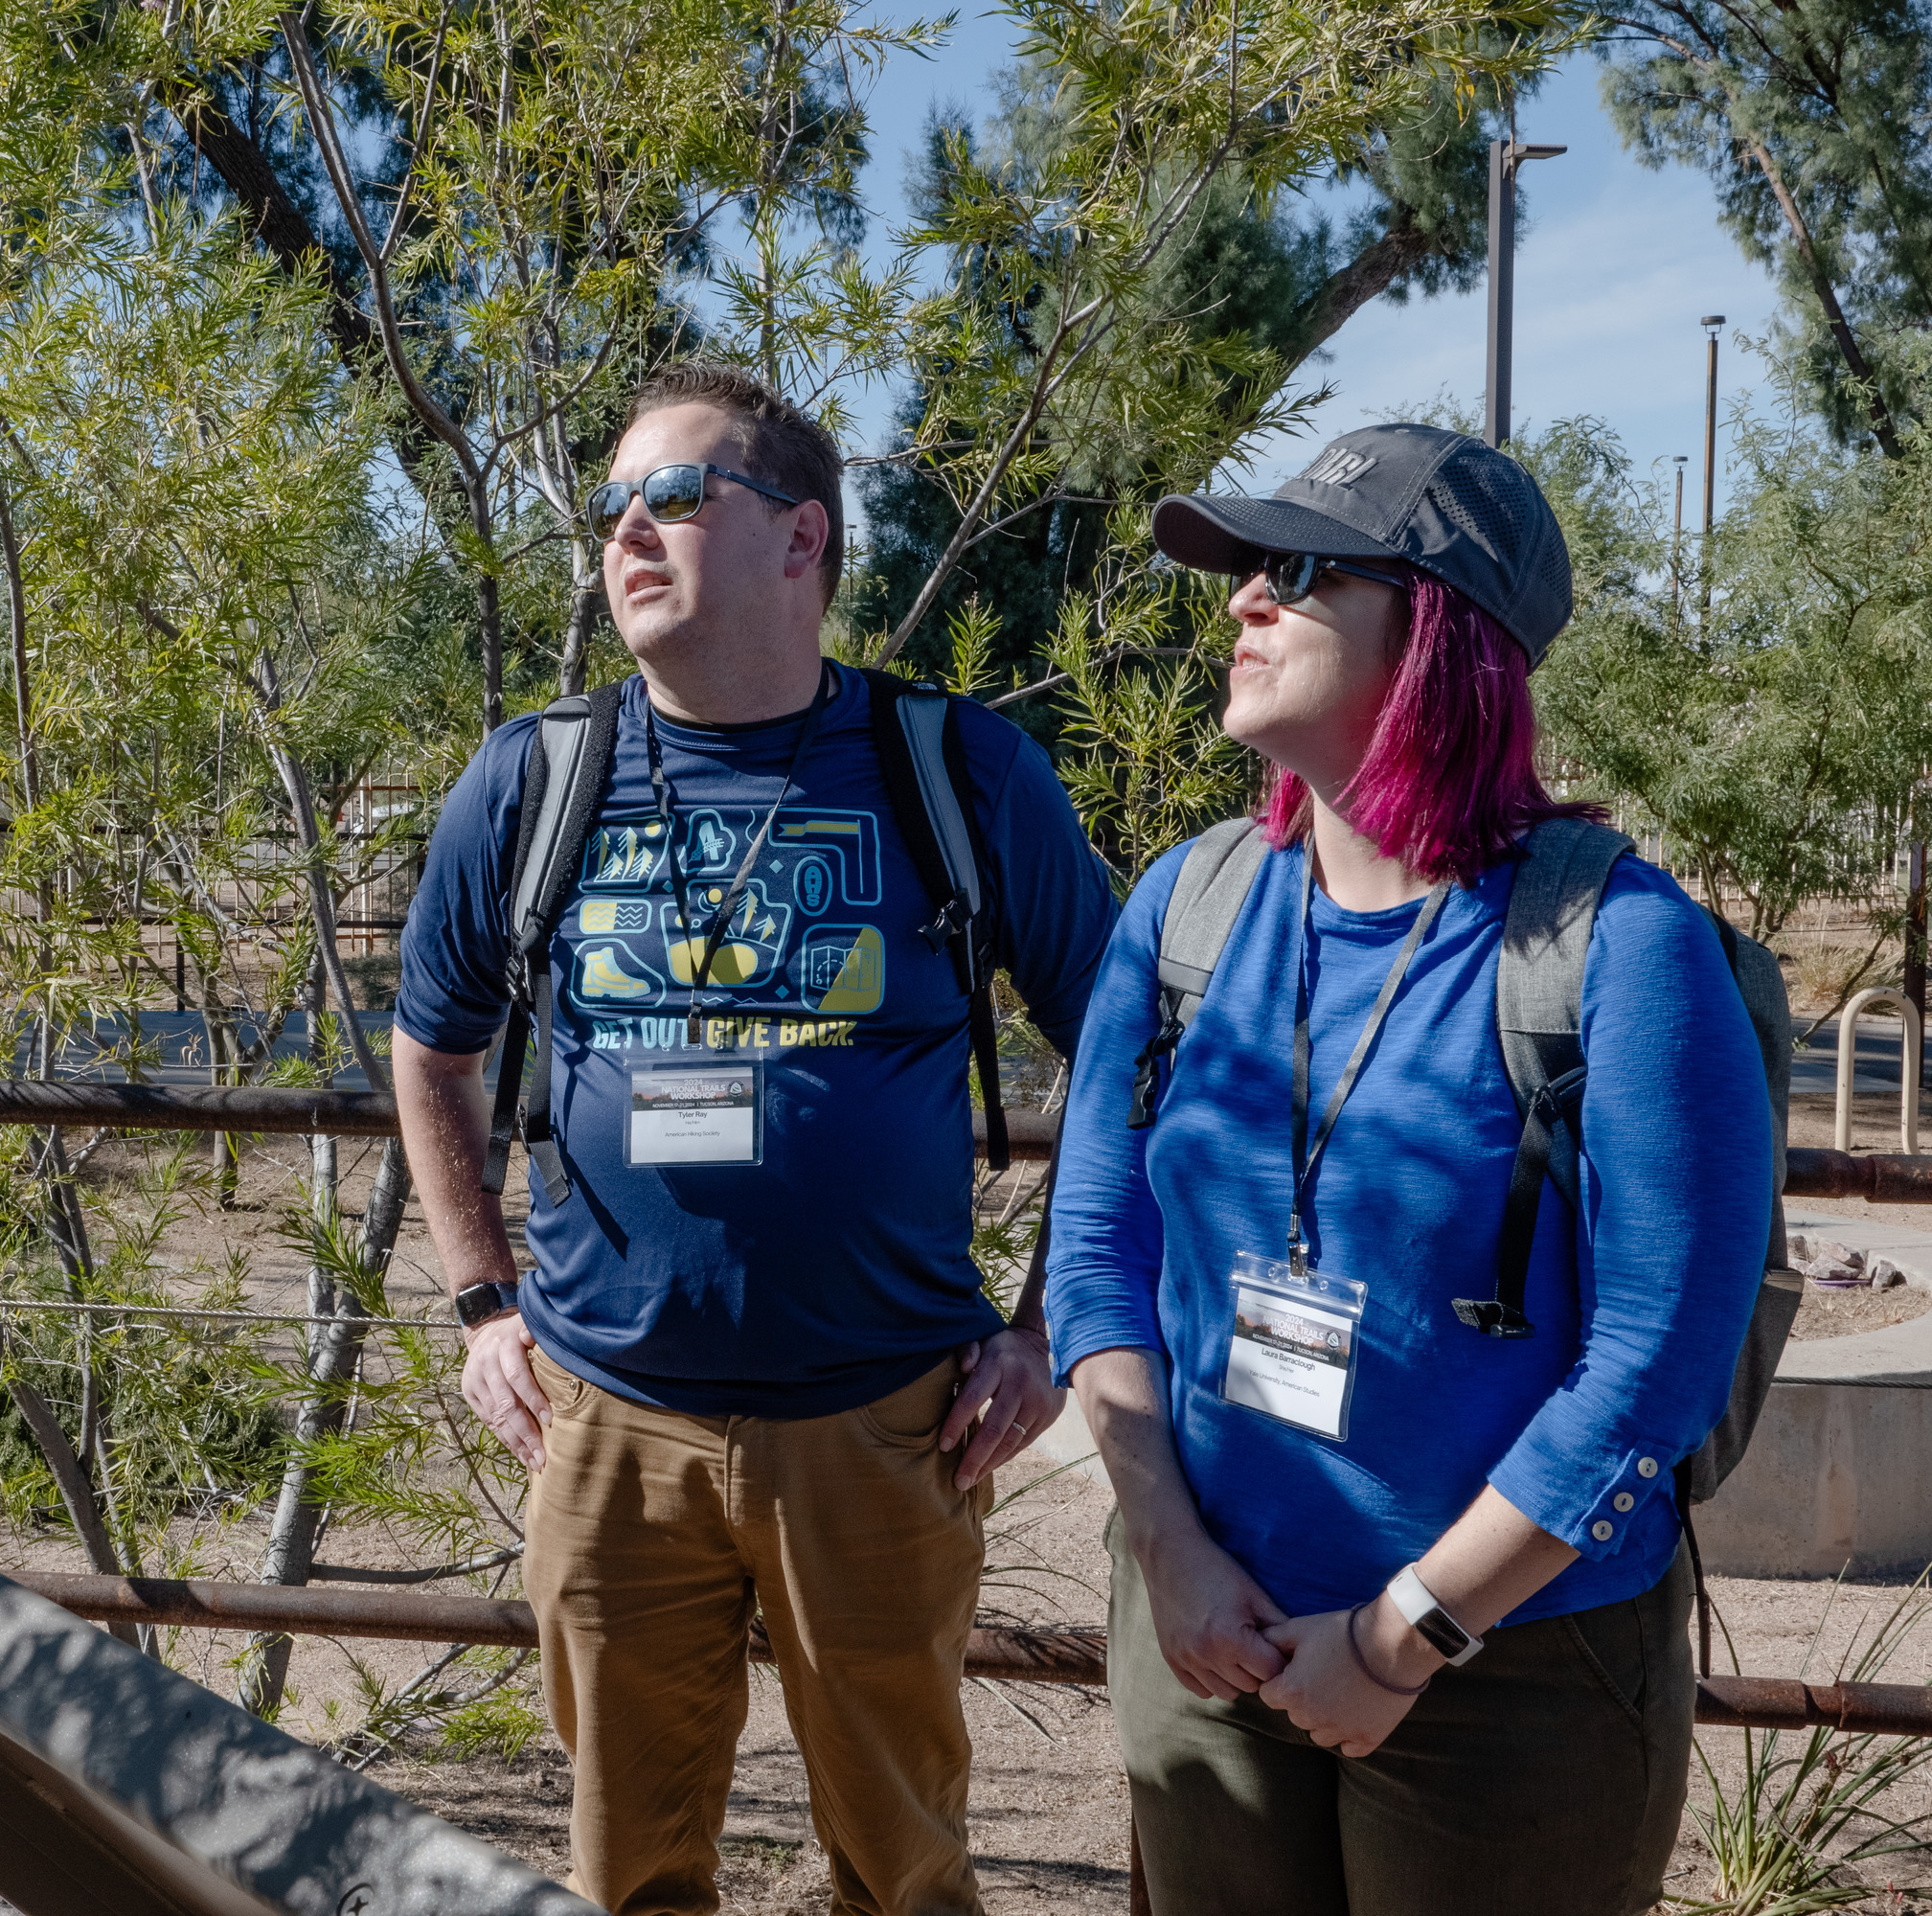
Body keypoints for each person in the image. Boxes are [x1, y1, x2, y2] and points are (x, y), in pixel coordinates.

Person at [392, 361, 1121, 1916]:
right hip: (605, 1426)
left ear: (804, 543)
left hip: (884, 1427)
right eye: (609, 506)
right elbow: (429, 1045)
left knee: (899, 1865)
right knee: (627, 1871)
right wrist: (477, 1298)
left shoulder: (961, 770)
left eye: (672, 495)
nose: (625, 532)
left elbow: (1132, 1061)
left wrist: (1053, 1325)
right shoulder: (534, 777)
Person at [1044, 423, 1774, 1914]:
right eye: (1246, 568)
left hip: (1515, 1673)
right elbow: (1094, 1259)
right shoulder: (1186, 906)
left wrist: (1404, 1637)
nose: (1243, 601)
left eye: (1299, 570)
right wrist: (1169, 1554)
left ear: (1442, 636)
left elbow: (1656, 1363)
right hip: (1207, 1635)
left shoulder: (1620, 949)